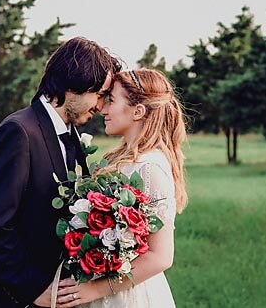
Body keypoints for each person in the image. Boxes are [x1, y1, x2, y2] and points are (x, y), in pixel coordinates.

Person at [0, 37, 121, 308]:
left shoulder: (69, 135)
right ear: (75, 83)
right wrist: (32, 288)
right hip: (10, 299)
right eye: (99, 94)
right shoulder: (19, 132)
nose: (100, 106)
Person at [55, 69, 188, 308]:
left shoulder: (150, 167)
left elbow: (161, 256)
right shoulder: (121, 159)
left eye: (112, 101)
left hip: (126, 296)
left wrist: (95, 289)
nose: (103, 109)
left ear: (138, 111)